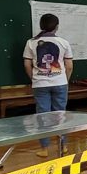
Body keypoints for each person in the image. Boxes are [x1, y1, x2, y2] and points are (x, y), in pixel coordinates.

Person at [23, 13, 73, 158]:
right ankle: (63, 146)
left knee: (42, 116)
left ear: (41, 26)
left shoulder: (31, 42)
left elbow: (27, 64)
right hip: (60, 82)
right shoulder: (64, 42)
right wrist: (64, 80)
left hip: (40, 84)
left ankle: (44, 148)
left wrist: (34, 78)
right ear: (57, 27)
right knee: (60, 114)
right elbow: (69, 66)